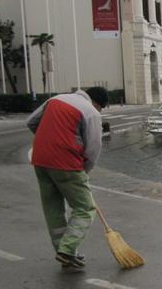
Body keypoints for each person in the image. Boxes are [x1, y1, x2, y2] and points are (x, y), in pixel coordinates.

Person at [27, 87, 108, 269]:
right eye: (101, 107)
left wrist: (49, 141)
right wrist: (84, 170)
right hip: (66, 164)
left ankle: (64, 252)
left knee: (53, 208)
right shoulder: (91, 112)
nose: (100, 111)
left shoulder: (56, 99)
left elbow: (31, 122)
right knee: (85, 209)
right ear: (97, 103)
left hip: (40, 160)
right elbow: (93, 148)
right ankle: (67, 248)